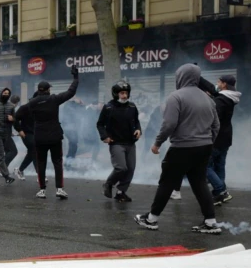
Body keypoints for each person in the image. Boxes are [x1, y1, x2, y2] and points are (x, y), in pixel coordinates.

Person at [135, 64, 221, 234]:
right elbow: (216, 125)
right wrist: (208, 142)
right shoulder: (208, 99)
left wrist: (158, 143)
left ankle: (151, 219)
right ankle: (211, 222)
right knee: (200, 183)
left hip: (182, 147)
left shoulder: (175, 97)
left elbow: (169, 124)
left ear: (180, 77)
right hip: (204, 147)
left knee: (167, 182)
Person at [18, 66, 79, 199]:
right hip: (55, 136)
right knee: (57, 162)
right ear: (48, 90)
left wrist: (19, 129)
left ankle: (42, 190)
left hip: (39, 137)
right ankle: (59, 189)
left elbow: (18, 114)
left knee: (41, 163)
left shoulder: (32, 103)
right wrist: (75, 78)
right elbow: (71, 92)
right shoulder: (54, 99)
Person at [97, 81, 142, 203]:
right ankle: (108, 184)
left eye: (126, 93)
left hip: (130, 143)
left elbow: (136, 121)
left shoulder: (132, 107)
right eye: (122, 93)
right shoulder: (108, 107)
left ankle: (121, 192)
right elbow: (100, 124)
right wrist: (104, 136)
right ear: (115, 94)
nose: (125, 96)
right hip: (116, 143)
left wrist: (138, 130)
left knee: (131, 168)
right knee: (121, 168)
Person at [202, 74, 240, 205]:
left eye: (219, 82)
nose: (217, 83)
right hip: (226, 138)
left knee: (204, 166)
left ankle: (221, 190)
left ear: (224, 84)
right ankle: (219, 195)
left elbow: (214, 120)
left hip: (217, 138)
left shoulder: (220, 100)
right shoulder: (229, 98)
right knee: (219, 165)